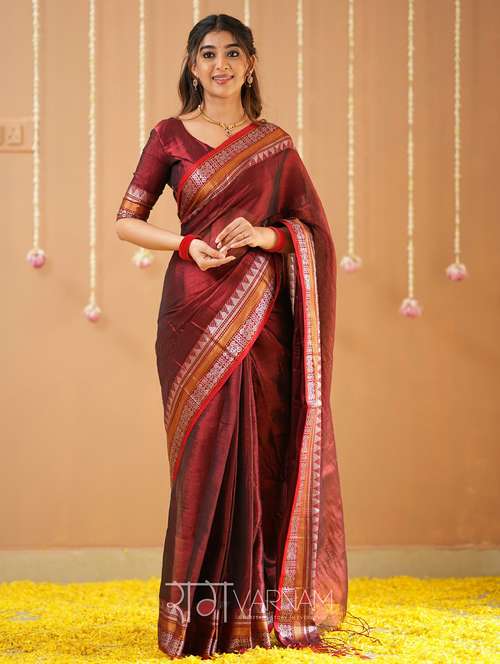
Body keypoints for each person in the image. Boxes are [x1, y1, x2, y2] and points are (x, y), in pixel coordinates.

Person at [115, 12, 374, 660]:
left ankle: (253, 614)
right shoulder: (169, 135)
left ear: (250, 64)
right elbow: (127, 220)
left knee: (261, 453)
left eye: (233, 53)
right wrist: (186, 244)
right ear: (192, 65)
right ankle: (196, 622)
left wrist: (265, 235)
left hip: (263, 319)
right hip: (192, 312)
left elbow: (311, 231)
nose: (221, 65)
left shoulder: (274, 145)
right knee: (202, 461)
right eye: (208, 54)